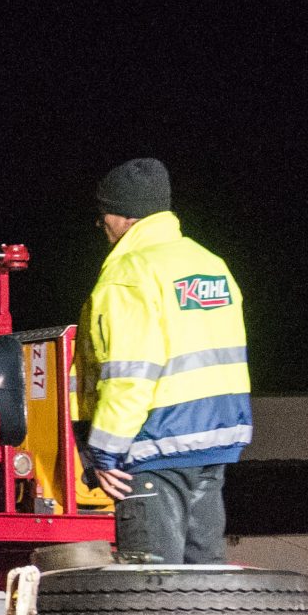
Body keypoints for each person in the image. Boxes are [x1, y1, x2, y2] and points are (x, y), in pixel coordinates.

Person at [76, 158, 251, 564]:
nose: (101, 224)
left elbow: (130, 374)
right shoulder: (210, 264)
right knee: (203, 582)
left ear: (122, 217)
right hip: (215, 442)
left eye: (103, 214)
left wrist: (105, 450)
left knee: (154, 585)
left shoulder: (129, 272)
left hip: (157, 443)